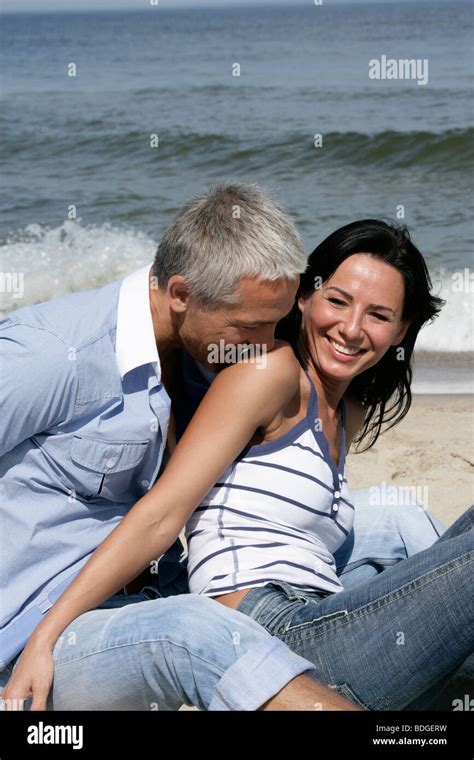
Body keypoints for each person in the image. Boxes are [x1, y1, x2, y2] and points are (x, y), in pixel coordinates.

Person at [5, 216, 469, 712]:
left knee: (403, 518)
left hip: (322, 608)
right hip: (271, 633)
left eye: (378, 315)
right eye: (337, 300)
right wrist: (46, 634)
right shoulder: (269, 372)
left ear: (401, 329)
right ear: (305, 299)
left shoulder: (345, 410)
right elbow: (161, 516)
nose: (351, 328)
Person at [0, 183, 349, 712]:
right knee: (195, 635)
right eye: (250, 325)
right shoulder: (50, 356)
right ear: (182, 295)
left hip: (149, 591)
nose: (268, 342)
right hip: (31, 645)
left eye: (277, 321)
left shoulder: (201, 355)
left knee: (396, 520)